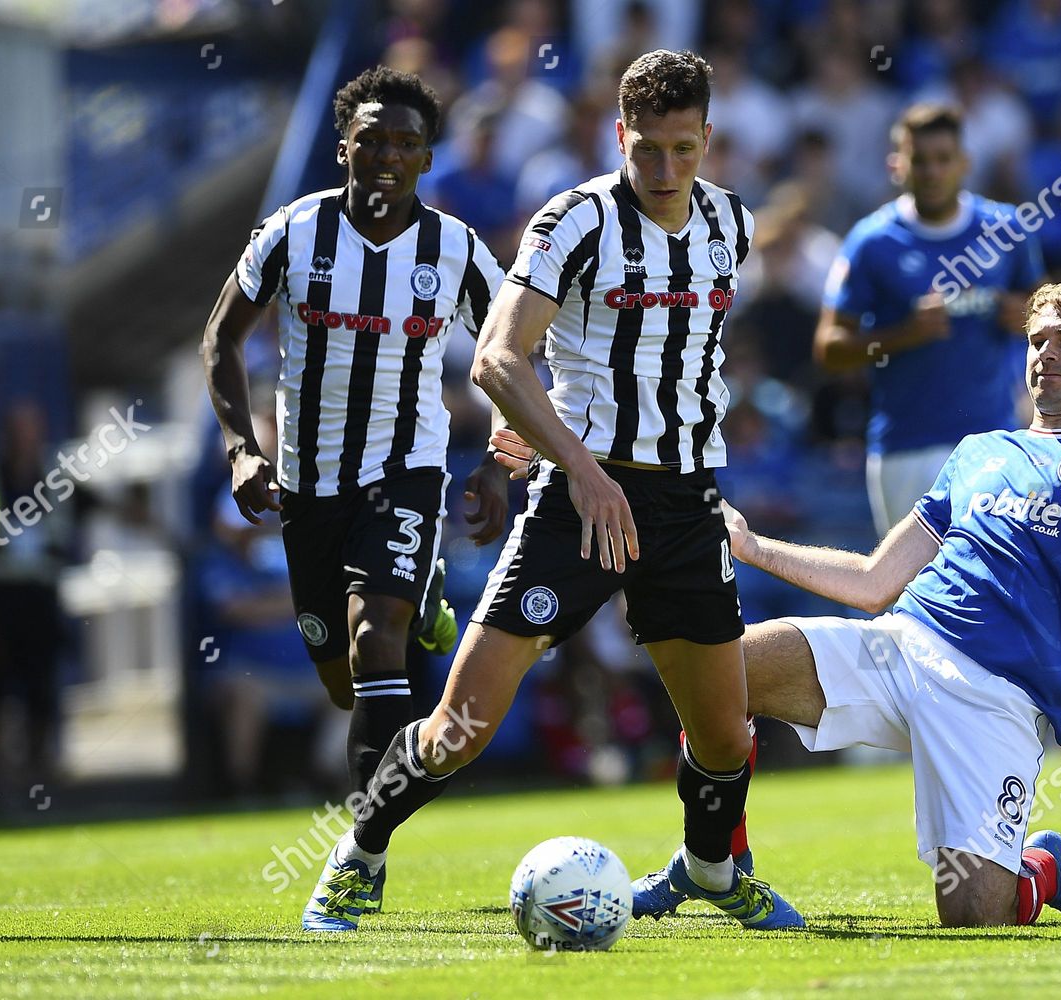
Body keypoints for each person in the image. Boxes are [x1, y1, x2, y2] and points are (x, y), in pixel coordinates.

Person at [299, 49, 802, 933]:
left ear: (709, 141)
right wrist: (578, 464)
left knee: (725, 735)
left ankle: (711, 873)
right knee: (461, 726)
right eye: (647, 148)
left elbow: (690, 360)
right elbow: (497, 355)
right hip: (579, 501)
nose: (664, 168)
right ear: (619, 136)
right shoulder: (572, 222)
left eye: (683, 149)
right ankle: (360, 855)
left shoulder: (732, 224)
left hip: (685, 502)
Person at [634, 279, 1061, 926]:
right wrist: (753, 547)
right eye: (1037, 341)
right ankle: (714, 865)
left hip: (1000, 699)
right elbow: (873, 580)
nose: (1047, 355)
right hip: (905, 646)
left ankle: (1045, 866)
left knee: (976, 917)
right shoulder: (981, 452)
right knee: (721, 673)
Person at [201, 67, 508, 908]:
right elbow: (221, 341)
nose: (388, 155)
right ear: (345, 147)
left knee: (376, 639)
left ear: (427, 157)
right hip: (308, 488)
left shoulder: (457, 250)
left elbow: (515, 356)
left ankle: (360, 858)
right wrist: (239, 449)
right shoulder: (292, 233)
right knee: (344, 680)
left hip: (406, 471)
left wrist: (499, 458)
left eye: (407, 142)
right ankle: (420, 650)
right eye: (372, 138)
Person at [814, 103, 1046, 538]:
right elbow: (829, 349)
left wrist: (1027, 318)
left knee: (995, 588)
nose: (933, 171)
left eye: (944, 159)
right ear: (896, 165)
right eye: (920, 160)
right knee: (911, 595)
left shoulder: (1007, 229)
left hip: (993, 442)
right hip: (906, 446)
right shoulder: (872, 241)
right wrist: (903, 335)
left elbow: (1049, 314)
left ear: (965, 164)